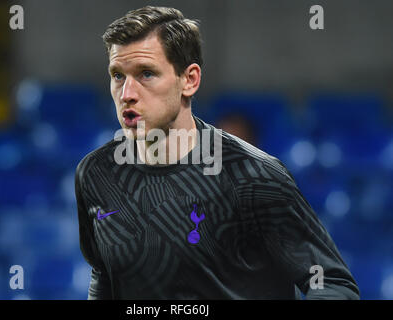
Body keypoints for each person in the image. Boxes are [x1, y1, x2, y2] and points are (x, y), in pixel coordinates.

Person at [75, 6, 359, 299]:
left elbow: (333, 285)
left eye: (146, 74)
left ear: (190, 80)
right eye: (118, 75)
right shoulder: (95, 173)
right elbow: (105, 276)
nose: (127, 94)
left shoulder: (255, 176)